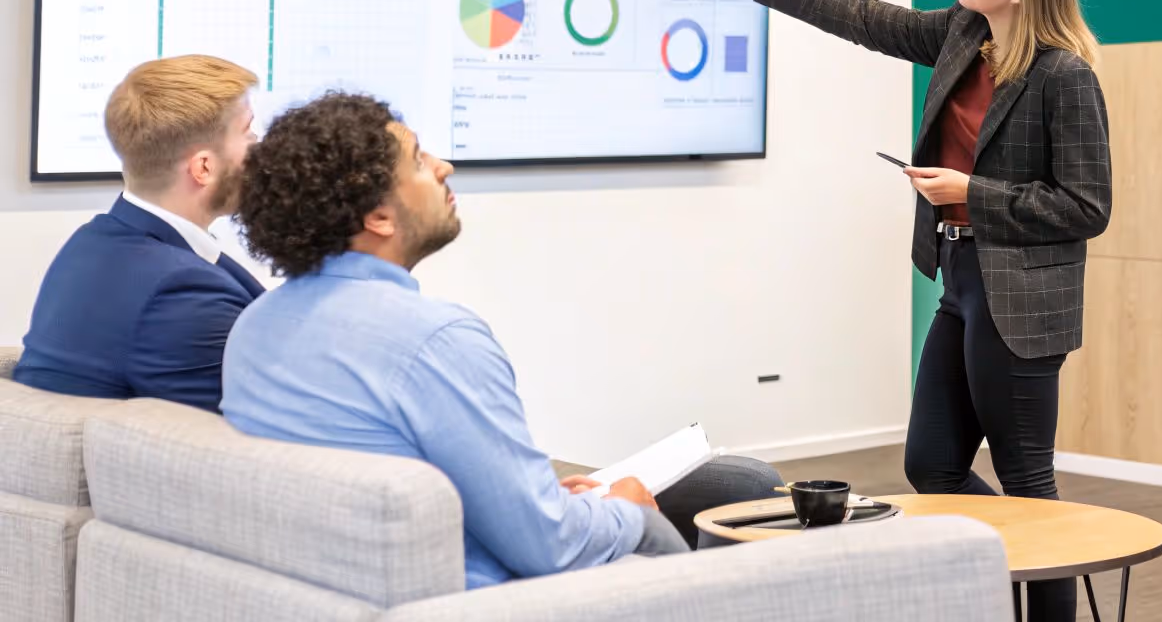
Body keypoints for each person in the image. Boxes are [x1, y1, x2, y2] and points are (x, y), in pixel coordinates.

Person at [676, 0, 1111, 621]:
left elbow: (1088, 206)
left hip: (1023, 301)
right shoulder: (962, 37)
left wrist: (971, 193)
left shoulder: (1064, 76)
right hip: (960, 281)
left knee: (1028, 483)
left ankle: (1046, 582)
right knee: (931, 465)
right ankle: (1011, 569)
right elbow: (859, 16)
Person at [221, 93, 779, 590]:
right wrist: (628, 511)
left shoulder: (255, 326)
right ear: (378, 216)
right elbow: (547, 548)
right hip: (486, 598)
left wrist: (554, 502)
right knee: (706, 524)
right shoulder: (434, 341)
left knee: (735, 485)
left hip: (347, 587)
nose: (445, 167)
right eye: (418, 161)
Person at [14, 56, 265, 412]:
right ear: (204, 167)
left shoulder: (90, 243)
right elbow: (236, 446)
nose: (259, 147)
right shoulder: (184, 293)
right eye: (249, 133)